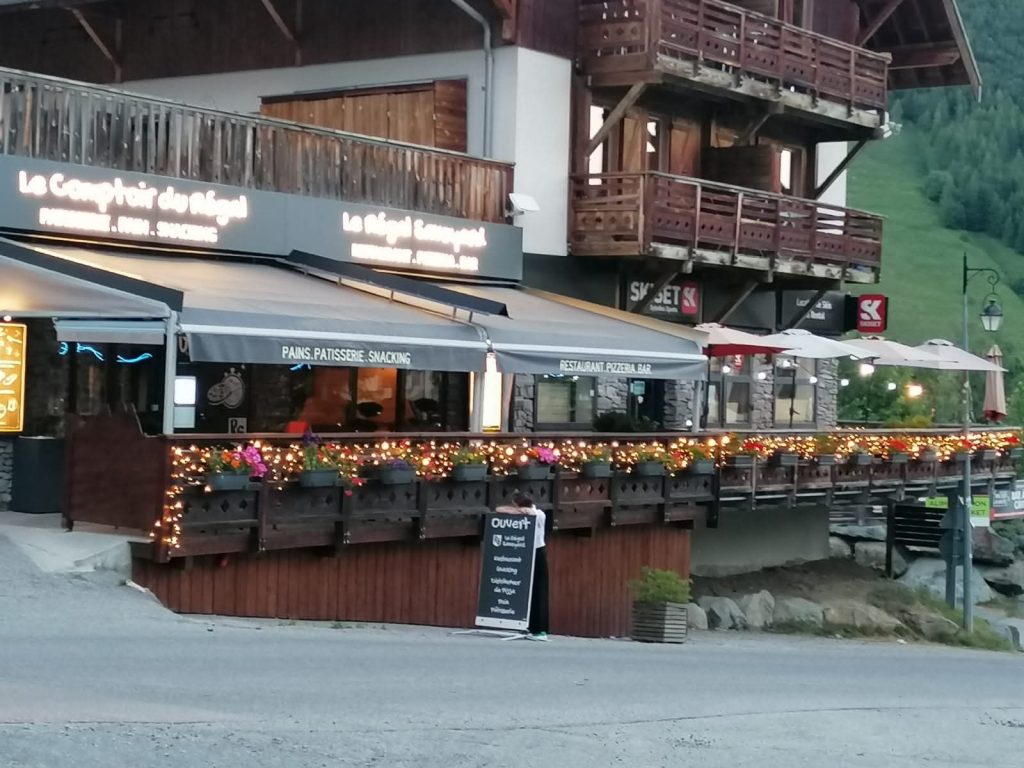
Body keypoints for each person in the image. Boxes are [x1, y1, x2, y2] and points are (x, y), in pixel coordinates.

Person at [511, 491, 549, 641]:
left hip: (538, 552)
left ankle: (540, 630)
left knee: (539, 591)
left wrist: (522, 510)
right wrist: (516, 510)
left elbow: (530, 513)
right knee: (528, 592)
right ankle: (529, 626)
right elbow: (501, 510)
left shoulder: (539, 514)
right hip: (527, 553)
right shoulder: (523, 512)